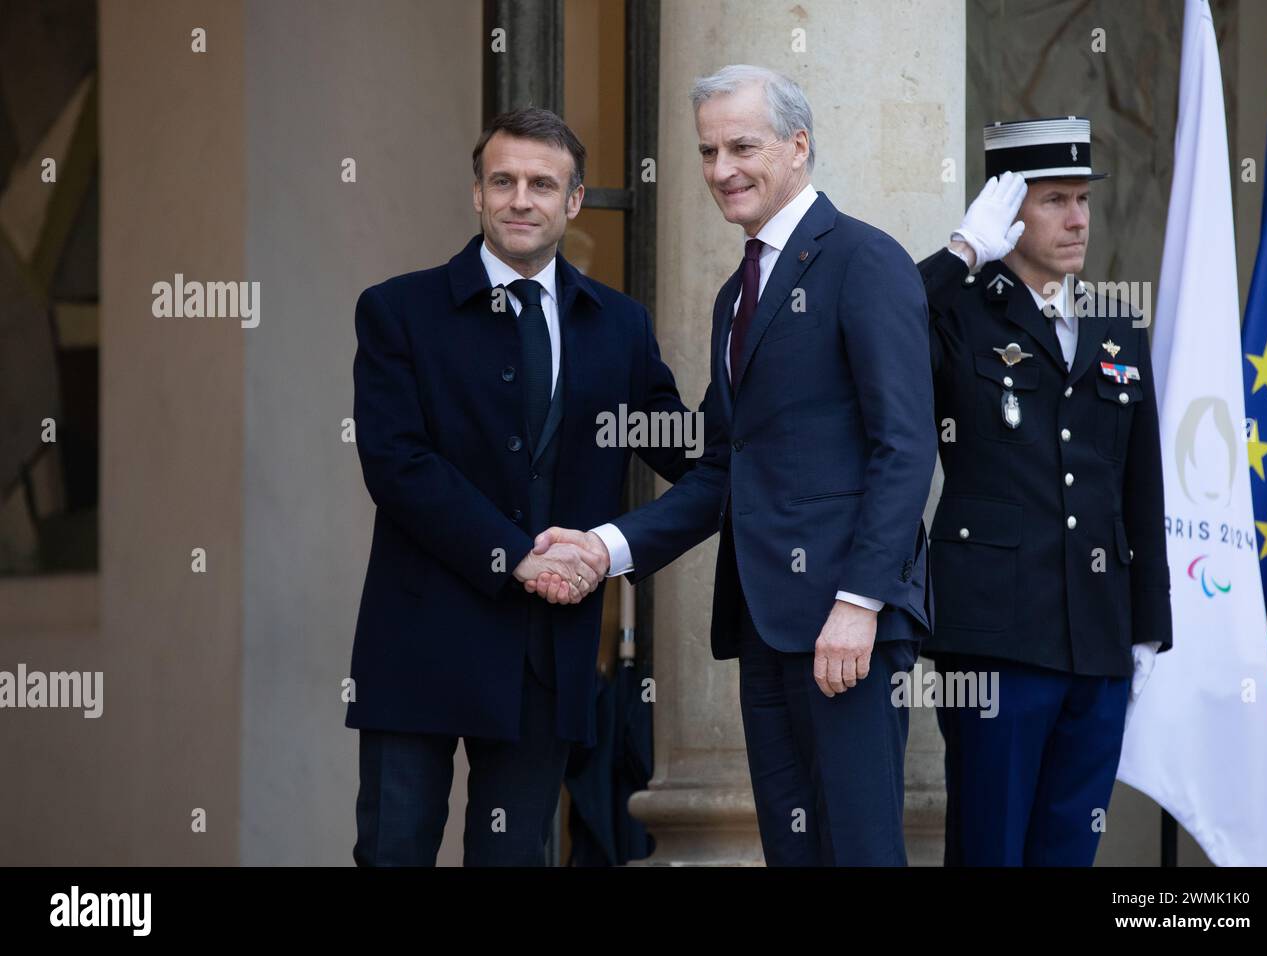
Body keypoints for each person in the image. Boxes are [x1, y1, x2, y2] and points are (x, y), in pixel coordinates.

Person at [534, 65, 936, 865]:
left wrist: (859, 602)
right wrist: (605, 547)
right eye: (708, 151)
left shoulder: (863, 259)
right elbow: (725, 469)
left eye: (742, 146)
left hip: (844, 623)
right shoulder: (736, 293)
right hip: (765, 625)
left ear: (798, 145)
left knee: (858, 852)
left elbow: (906, 445)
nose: (722, 170)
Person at [346, 107, 691, 866]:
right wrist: (517, 557)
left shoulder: (619, 327)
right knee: (393, 851)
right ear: (476, 193)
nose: (520, 200)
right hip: (420, 640)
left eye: (542, 184)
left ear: (572, 202)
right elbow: (398, 464)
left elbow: (682, 449)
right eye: (502, 181)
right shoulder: (399, 311)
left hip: (548, 654)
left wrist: (781, 426)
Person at [917, 116, 1173, 865]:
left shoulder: (1115, 327)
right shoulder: (958, 314)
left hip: (1096, 637)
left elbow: (1140, 484)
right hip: (996, 638)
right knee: (989, 848)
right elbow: (874, 334)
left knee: (1069, 850)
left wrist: (1148, 623)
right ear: (1008, 207)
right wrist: (960, 255)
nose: (1077, 219)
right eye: (1054, 199)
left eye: (1084, 200)